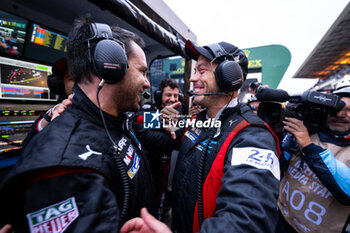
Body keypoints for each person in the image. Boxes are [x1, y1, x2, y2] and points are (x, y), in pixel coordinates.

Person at [0, 15, 156, 232]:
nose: (147, 82)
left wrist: (171, 121)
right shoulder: (66, 165)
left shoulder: (117, 120)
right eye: (142, 71)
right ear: (110, 66)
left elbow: (146, 126)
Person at [122, 40, 281, 233]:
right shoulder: (197, 120)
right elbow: (150, 127)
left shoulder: (253, 136)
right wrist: (124, 116)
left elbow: (245, 222)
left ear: (228, 76)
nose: (192, 78)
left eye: (201, 71)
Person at [277, 76, 350, 233]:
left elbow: (347, 191)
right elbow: (278, 167)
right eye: (338, 108)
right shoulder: (308, 132)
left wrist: (308, 146)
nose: (341, 114)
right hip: (281, 220)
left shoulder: (305, 137)